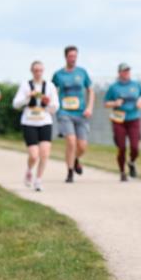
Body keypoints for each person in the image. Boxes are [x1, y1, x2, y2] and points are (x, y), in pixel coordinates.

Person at [13, 61, 59, 192]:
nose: (38, 73)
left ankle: (38, 180)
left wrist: (47, 102)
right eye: (35, 70)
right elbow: (16, 104)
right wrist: (28, 97)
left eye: (40, 70)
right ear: (31, 71)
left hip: (45, 121)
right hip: (29, 122)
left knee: (45, 153)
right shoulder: (25, 85)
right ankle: (29, 170)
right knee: (34, 155)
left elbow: (55, 106)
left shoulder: (49, 86)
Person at [53, 45, 94, 183]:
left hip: (81, 113)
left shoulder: (82, 72)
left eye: (75, 56)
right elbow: (52, 91)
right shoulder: (58, 75)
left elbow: (91, 90)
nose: (73, 59)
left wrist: (89, 107)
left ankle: (75, 159)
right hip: (64, 112)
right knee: (71, 141)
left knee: (82, 146)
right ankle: (70, 172)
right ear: (65, 57)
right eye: (70, 56)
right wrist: (54, 106)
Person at [103, 63, 141, 182]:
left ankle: (131, 162)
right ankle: (122, 172)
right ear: (119, 73)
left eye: (128, 71)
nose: (127, 73)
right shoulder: (114, 87)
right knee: (121, 147)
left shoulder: (136, 85)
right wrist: (115, 103)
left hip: (134, 118)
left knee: (135, 147)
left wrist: (140, 102)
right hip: (119, 120)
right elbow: (105, 103)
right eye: (124, 71)